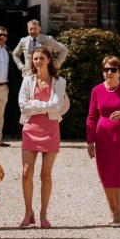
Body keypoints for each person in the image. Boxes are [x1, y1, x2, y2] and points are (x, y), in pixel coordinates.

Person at [86, 56, 120, 227]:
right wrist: (90, 142)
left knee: (119, 173)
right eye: (106, 69)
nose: (109, 72)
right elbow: (91, 118)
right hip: (102, 137)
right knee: (105, 173)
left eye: (113, 69)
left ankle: (118, 210)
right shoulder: (96, 90)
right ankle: (111, 208)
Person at [18, 46, 68, 229]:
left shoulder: (59, 81)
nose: (37, 61)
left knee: (45, 174)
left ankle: (43, 214)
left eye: (40, 58)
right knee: (26, 173)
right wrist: (44, 105)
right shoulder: (27, 80)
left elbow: (57, 105)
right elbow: (23, 106)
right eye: (34, 58)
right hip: (30, 128)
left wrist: (36, 104)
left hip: (51, 129)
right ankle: (28, 212)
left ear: (48, 59)